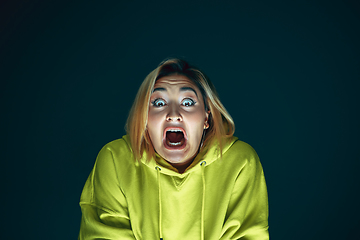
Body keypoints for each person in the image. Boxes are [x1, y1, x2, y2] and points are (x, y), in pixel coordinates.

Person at [78, 58, 269, 240]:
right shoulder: (115, 160)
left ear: (206, 118)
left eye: (187, 103)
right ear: (145, 119)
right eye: (159, 103)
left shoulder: (240, 162)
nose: (173, 114)